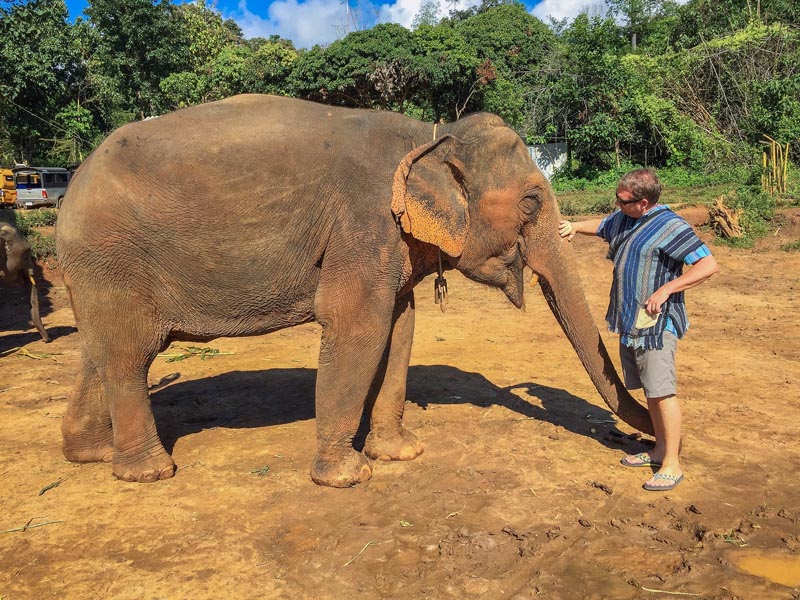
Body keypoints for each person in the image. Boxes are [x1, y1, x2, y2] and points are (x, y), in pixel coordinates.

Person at [558, 168, 719, 491]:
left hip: (656, 325)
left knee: (662, 392)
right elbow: (603, 226)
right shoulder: (626, 219)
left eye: (622, 200)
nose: (616, 205)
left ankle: (672, 463)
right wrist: (574, 226)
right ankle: (659, 449)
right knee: (650, 389)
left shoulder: (670, 226)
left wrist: (667, 289)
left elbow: (707, 264)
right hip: (631, 320)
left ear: (643, 202)